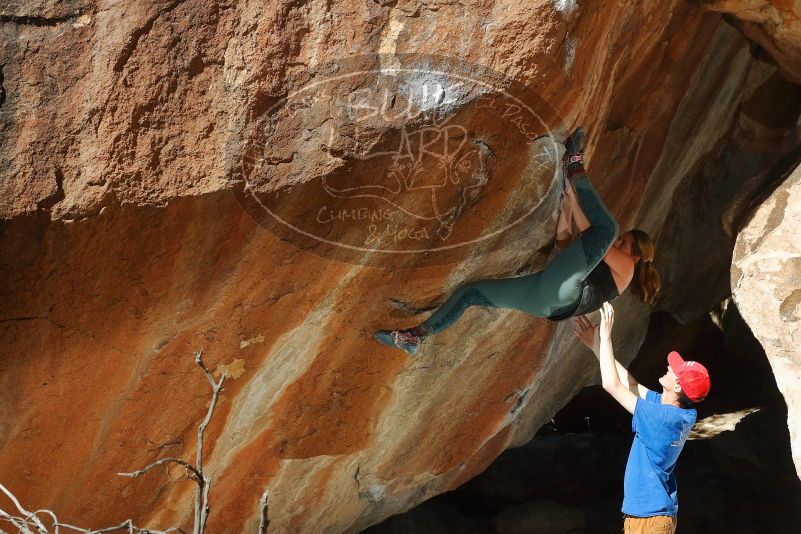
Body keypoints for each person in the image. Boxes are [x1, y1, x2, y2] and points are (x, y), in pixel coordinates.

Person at [374, 128, 661, 355]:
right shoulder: (602, 259)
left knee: (608, 227)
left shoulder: (627, 269)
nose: (618, 245)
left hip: (561, 295)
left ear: (636, 256)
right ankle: (414, 337)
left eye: (624, 245)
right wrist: (566, 212)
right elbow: (565, 247)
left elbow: (597, 236)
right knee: (471, 292)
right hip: (545, 299)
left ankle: (575, 164)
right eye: (621, 242)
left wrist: (575, 204)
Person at [574, 303, 711, 534]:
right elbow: (632, 385)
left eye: (674, 370)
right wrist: (595, 346)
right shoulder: (680, 412)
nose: (669, 366)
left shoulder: (661, 418)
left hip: (650, 520)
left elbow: (611, 385)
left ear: (677, 386)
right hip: (651, 516)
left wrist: (606, 337)